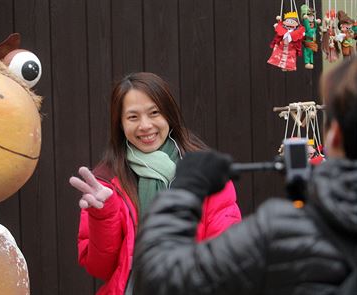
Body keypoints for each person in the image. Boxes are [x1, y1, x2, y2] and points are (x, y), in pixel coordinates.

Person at [133, 58, 357, 295]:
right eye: (133, 117)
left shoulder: (281, 230)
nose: (145, 126)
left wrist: (184, 190)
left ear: (334, 136)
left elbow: (159, 279)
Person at [69, 72, 242, 294]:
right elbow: (99, 268)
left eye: (154, 113)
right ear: (120, 124)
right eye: (133, 117)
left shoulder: (207, 174)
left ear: (168, 115)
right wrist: (104, 215)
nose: (145, 125)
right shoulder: (106, 183)